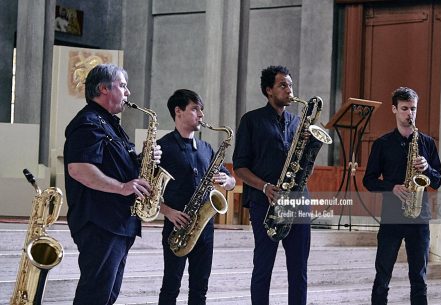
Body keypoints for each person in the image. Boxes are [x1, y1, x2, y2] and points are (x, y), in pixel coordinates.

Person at [64, 64, 160, 305]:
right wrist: (122, 187)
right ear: (103, 88)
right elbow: (78, 168)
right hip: (100, 222)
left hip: (117, 222)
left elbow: (116, 166)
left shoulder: (110, 124)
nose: (128, 93)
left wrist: (143, 159)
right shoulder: (88, 123)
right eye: (123, 86)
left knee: (107, 295)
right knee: (95, 295)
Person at [232, 65, 311, 305]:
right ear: (269, 90)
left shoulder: (298, 122)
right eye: (283, 85)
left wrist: (307, 151)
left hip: (297, 202)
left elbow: (305, 167)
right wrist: (265, 186)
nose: (289, 90)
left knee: (299, 271)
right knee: (263, 267)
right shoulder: (251, 120)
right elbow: (239, 166)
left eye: (290, 85)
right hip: (264, 203)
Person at [363, 87, 441, 305]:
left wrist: (427, 168)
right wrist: (392, 187)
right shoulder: (382, 144)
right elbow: (368, 180)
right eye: (405, 108)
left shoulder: (426, 143)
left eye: (413, 109)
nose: (410, 113)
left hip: (419, 219)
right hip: (392, 218)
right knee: (383, 277)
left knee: (419, 279)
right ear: (394, 109)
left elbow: (437, 181)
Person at [157, 89, 236, 305]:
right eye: (195, 109)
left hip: (205, 229)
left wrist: (226, 180)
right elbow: (147, 191)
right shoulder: (162, 147)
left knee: (200, 289)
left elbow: (232, 182)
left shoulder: (207, 148)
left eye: (202, 110)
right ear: (178, 111)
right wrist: (169, 212)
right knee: (171, 286)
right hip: (177, 226)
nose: (201, 115)